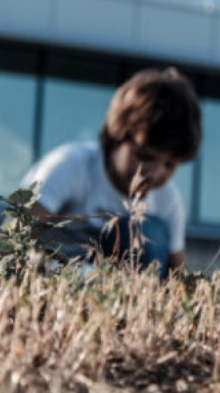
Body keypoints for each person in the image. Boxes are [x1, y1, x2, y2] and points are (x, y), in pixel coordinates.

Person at [22, 67, 202, 276]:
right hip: (53, 281)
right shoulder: (71, 166)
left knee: (147, 232)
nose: (154, 172)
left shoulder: (167, 200)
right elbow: (12, 239)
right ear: (117, 137)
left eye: (170, 165)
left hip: (120, 296)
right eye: (145, 157)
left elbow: (178, 275)